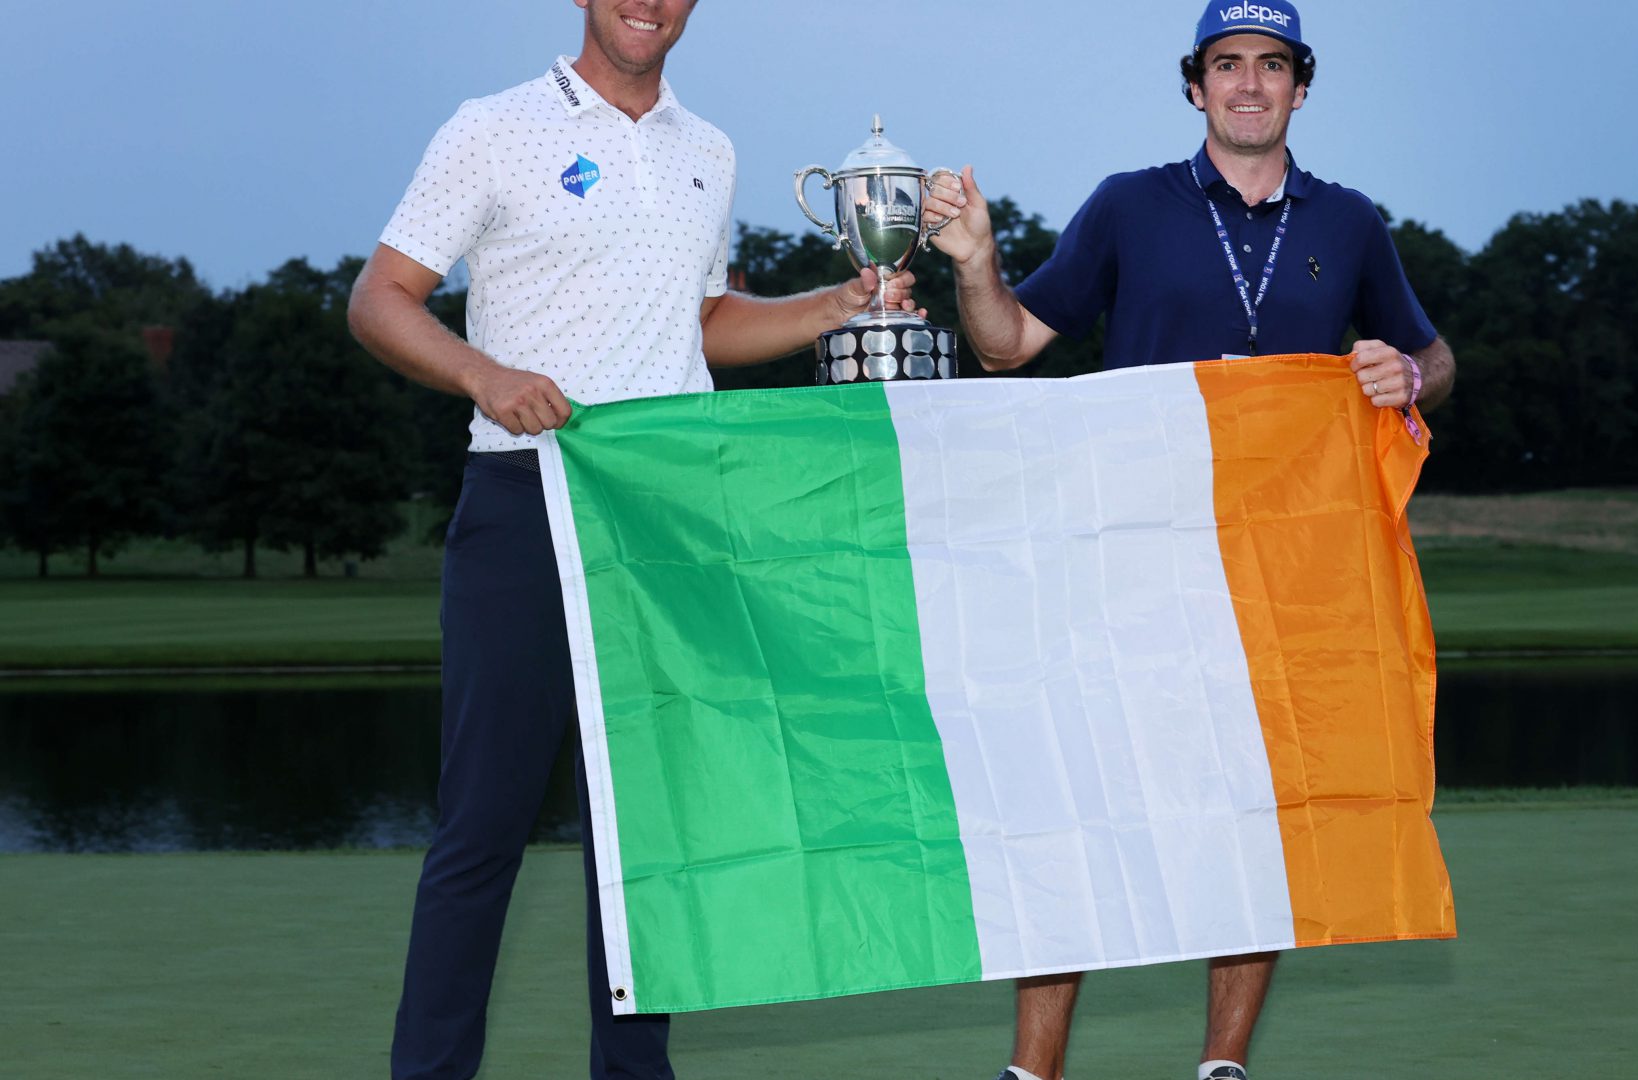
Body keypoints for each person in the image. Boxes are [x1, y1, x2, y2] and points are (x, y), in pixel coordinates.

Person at [345, 2, 918, 1077]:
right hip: (528, 502)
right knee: (483, 832)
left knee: (645, 842)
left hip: (666, 523)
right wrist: (485, 373)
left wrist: (838, 303)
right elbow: (381, 298)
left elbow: (705, 323)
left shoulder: (710, 149)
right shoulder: (493, 126)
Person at [921, 4, 1454, 1079]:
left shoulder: (1349, 222)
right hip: (1127, 557)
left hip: (1286, 582)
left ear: (1302, 86)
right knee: (1080, 797)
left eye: (1270, 65)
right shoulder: (1130, 205)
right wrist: (977, 265)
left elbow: (1433, 359)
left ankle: (1222, 1066)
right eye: (1226, 65)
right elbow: (1009, 346)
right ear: (1196, 85)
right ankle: (1034, 1070)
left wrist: (1405, 371)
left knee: (1254, 812)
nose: (1248, 84)